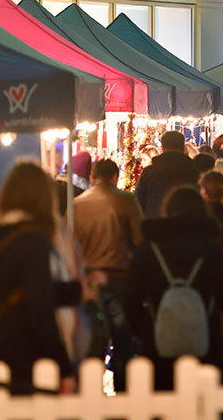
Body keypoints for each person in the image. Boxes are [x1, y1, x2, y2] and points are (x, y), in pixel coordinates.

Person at [124, 186, 223, 390]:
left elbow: (131, 299)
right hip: (207, 344)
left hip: (159, 346)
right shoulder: (210, 249)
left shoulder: (149, 249)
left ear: (166, 211)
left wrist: (147, 329)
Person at [0, 161, 73, 394]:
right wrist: (64, 367)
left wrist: (72, 292)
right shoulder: (31, 240)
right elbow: (39, 307)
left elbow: (5, 287)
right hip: (21, 359)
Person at [73, 159, 143, 393]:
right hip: (120, 278)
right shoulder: (126, 201)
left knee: (93, 340)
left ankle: (92, 392)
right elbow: (139, 240)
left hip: (88, 282)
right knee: (122, 339)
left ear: (92, 177)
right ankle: (123, 391)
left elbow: (68, 246)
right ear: (115, 176)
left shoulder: (75, 204)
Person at [136, 131, 199, 219]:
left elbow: (138, 202)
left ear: (162, 148)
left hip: (156, 224)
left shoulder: (149, 172)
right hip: (185, 224)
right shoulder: (194, 170)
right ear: (183, 148)